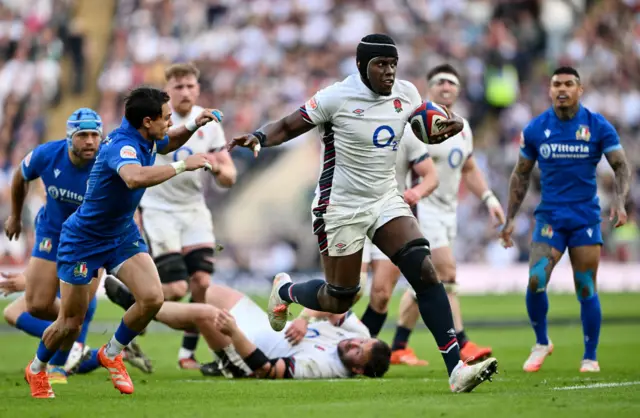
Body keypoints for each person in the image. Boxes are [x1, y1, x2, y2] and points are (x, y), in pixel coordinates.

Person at [228, 33, 497, 392]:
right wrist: (260, 137)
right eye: (380, 65)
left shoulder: (408, 93)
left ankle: (456, 368)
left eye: (392, 65)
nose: (389, 72)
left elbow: (428, 129)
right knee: (340, 295)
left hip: (385, 198)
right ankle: (286, 291)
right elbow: (291, 123)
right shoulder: (335, 96)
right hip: (339, 207)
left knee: (425, 271)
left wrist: (452, 125)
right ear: (361, 66)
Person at [23, 86, 222, 399]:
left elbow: (169, 141)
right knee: (70, 323)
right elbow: (133, 177)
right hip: (83, 240)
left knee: (153, 298)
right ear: (146, 121)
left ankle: (112, 352)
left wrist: (196, 125)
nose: (171, 122)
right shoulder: (122, 145)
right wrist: (184, 165)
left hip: (121, 233)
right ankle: (36, 369)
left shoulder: (148, 136)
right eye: (166, 118)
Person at [500, 66, 631, 373]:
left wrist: (620, 202)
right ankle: (542, 341)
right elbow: (520, 174)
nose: (562, 88)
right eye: (556, 83)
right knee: (536, 280)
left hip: (585, 217)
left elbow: (622, 166)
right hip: (550, 217)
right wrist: (509, 219)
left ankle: (590, 356)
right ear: (549, 90)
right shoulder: (535, 129)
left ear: (579, 90)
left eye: (569, 84)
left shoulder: (598, 126)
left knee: (585, 286)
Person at [386, 64, 505, 366]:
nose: (445, 86)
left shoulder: (463, 127)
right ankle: (461, 342)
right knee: (447, 273)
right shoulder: (418, 124)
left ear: (459, 89)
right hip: (422, 207)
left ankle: (399, 344)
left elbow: (468, 168)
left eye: (451, 82)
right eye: (439, 82)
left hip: (448, 211)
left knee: (428, 278)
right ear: (429, 88)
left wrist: (489, 198)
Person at [103, 275, 392, 380]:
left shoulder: (325, 368)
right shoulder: (360, 335)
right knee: (210, 290)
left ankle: (138, 305)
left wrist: (234, 332)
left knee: (206, 313)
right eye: (360, 343)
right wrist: (303, 317)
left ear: (357, 370)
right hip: (266, 325)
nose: (353, 344)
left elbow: (265, 370)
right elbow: (335, 306)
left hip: (246, 353)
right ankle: (147, 315)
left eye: (357, 353)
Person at [139, 63, 237, 369]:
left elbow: (229, 176)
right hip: (158, 211)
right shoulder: (153, 118)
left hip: (194, 209)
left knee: (201, 283)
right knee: (175, 289)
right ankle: (133, 301)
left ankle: (187, 354)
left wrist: (219, 167)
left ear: (198, 88)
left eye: (190, 86)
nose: (185, 92)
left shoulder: (210, 123)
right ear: (167, 90)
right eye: (178, 87)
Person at [3, 108, 104, 383]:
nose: (90, 141)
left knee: (76, 310)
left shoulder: (107, 163)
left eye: (95, 135)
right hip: (52, 232)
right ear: (70, 136)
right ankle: (74, 343)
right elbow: (20, 177)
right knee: (35, 306)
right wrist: (14, 215)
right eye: (83, 135)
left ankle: (54, 363)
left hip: (90, 242)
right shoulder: (47, 155)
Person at [358, 119, 438, 348]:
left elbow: (431, 175)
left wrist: (417, 191)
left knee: (382, 295)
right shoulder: (352, 121)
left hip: (389, 217)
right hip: (355, 214)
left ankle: (358, 349)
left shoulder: (406, 130)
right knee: (352, 288)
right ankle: (311, 328)